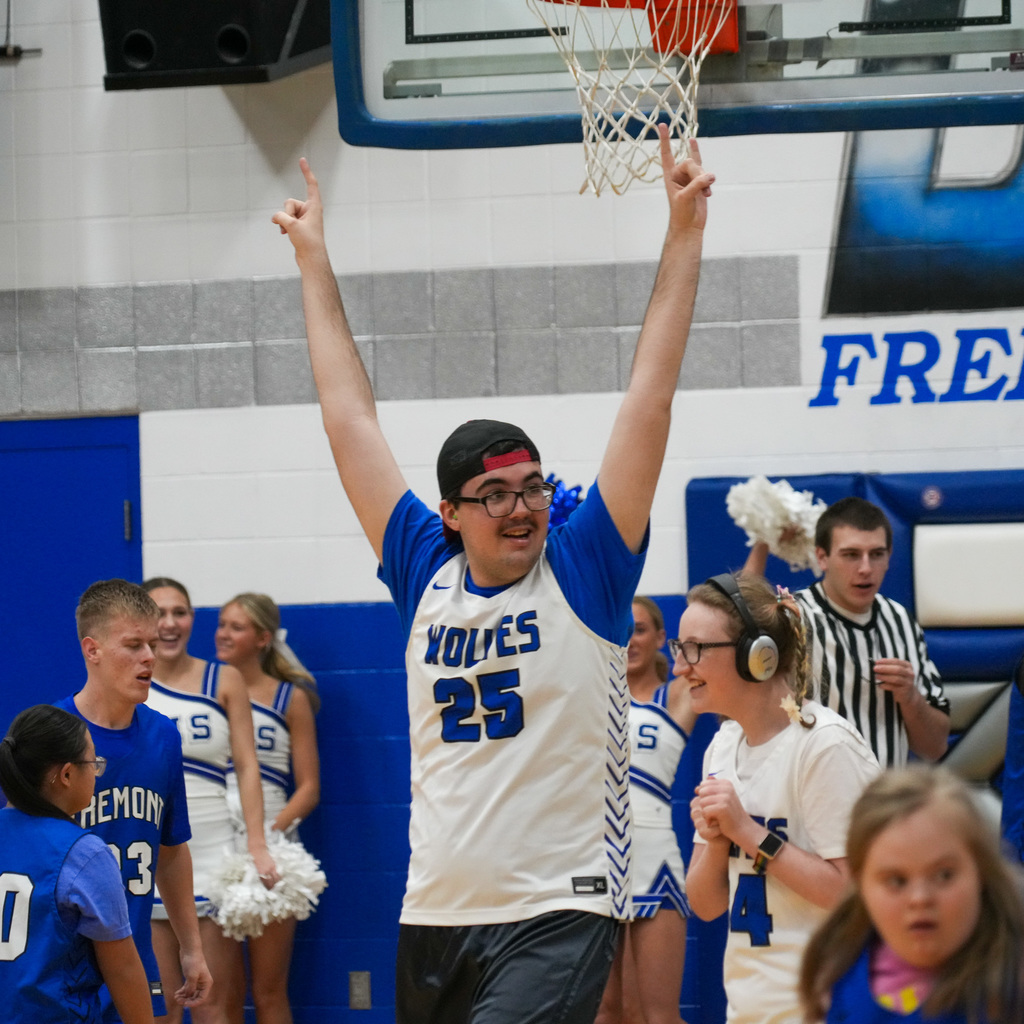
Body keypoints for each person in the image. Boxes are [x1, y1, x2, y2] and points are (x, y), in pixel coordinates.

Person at [271, 123, 713, 1024]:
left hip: (560, 906)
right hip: (432, 911)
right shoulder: (422, 567)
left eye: (533, 487)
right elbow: (348, 418)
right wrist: (314, 261)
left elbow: (649, 401)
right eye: (495, 494)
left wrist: (684, 231)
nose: (522, 507)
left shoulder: (585, 563)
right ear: (452, 516)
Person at [684, 572, 880, 1024]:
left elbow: (856, 895)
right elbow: (706, 905)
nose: (681, 665)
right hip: (750, 1008)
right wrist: (717, 842)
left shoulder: (824, 746)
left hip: (828, 1008)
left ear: (758, 657)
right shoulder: (722, 747)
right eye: (680, 648)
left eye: (696, 648)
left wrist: (749, 833)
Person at [55, 578, 212, 1022]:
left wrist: (191, 948)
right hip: (58, 961)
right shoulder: (50, 735)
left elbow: (171, 851)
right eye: (133, 645)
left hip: (132, 956)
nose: (149, 657)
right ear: (93, 650)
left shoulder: (162, 735)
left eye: (152, 644)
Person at [142, 577, 280, 1024]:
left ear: (191, 619)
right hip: (152, 855)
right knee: (158, 1009)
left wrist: (256, 843)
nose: (169, 623)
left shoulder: (225, 678)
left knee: (213, 1007)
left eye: (179, 612)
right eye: (158, 612)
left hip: (213, 856)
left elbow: (247, 766)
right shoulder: (131, 685)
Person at [799, 765, 1024, 1023]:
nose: (920, 898)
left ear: (981, 874)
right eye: (896, 881)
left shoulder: (1010, 985)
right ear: (861, 887)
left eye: (944, 875)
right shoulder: (840, 973)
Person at [743, 496, 949, 767]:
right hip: (812, 802)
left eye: (877, 554)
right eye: (851, 555)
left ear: (889, 558)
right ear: (822, 557)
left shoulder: (900, 620)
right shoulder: (793, 616)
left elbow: (934, 748)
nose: (865, 568)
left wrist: (911, 698)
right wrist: (763, 541)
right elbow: (738, 619)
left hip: (884, 804)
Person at [0, 704, 154, 1024]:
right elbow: (123, 970)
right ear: (67, 774)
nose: (98, 772)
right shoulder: (85, 854)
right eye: (93, 763)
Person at [215, 592, 321, 1024]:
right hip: (216, 846)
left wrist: (265, 836)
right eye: (221, 624)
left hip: (273, 846)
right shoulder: (209, 689)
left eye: (235, 627)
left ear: (262, 638)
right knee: (223, 991)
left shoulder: (288, 698)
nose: (222, 634)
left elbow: (309, 787)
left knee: (269, 989)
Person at [597, 596, 697, 1024]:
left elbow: (733, 618)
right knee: (605, 1013)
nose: (630, 639)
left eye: (640, 629)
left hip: (655, 857)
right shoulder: (591, 694)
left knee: (656, 1015)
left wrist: (763, 537)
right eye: (622, 628)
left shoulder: (676, 696)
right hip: (595, 858)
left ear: (661, 638)